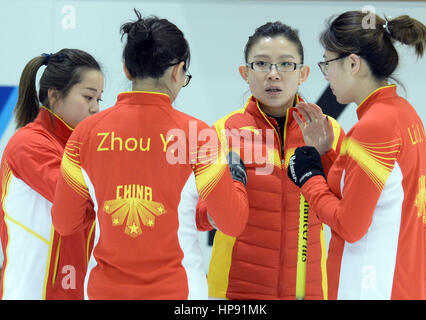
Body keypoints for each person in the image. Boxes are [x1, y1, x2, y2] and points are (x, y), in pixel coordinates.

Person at [50, 9, 249, 300]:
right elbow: (231, 222)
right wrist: (238, 178)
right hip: (178, 293)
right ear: (177, 71)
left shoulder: (85, 133)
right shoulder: (198, 135)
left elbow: (65, 222)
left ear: (127, 69)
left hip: (105, 291)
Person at [287, 11, 426, 300]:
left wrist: (308, 179)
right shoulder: (402, 113)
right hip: (397, 283)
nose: (326, 75)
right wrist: (327, 155)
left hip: (371, 287)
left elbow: (349, 225)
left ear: (353, 63)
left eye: (327, 63)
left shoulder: (375, 126)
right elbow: (369, 196)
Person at [196, 21, 345, 300]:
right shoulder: (222, 132)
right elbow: (197, 213)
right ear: (245, 73)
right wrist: (212, 214)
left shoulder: (329, 132)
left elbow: (346, 210)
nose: (273, 75)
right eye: (261, 64)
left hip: (307, 290)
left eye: (286, 65)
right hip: (234, 291)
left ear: (303, 73)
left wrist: (327, 153)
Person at [0, 49, 103, 299]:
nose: (96, 109)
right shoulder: (29, 144)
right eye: (88, 97)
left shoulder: (85, 148)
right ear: (55, 95)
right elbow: (78, 201)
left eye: (100, 99)